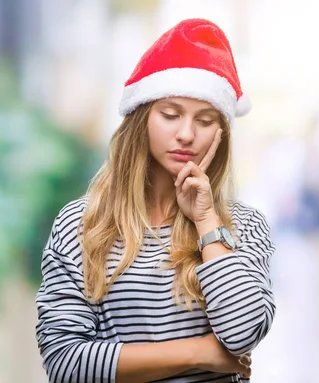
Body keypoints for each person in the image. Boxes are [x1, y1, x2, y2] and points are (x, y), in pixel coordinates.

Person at [35, 18, 275, 383]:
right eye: (170, 114)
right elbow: (65, 363)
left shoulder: (244, 226)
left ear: (221, 134)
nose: (186, 134)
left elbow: (242, 334)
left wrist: (207, 221)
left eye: (205, 120)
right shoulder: (81, 224)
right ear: (142, 118)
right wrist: (199, 352)